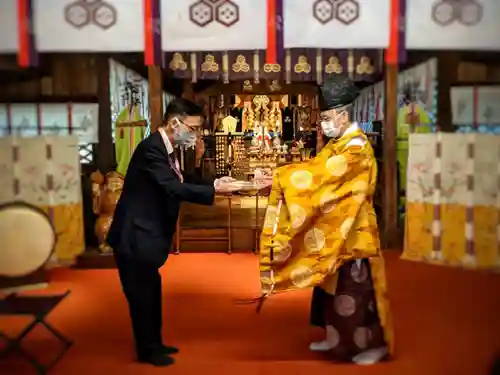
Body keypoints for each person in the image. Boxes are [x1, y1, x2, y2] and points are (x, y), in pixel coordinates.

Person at [255, 76, 393, 365]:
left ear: (343, 115)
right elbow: (315, 167)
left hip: (354, 231)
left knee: (355, 292)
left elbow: (324, 176)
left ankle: (372, 345)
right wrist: (278, 177)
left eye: (328, 117)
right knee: (331, 287)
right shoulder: (339, 142)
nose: (323, 123)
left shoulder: (356, 148)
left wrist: (281, 178)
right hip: (336, 227)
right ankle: (335, 337)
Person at [107, 98, 239, 367]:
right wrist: (215, 191)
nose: (196, 135)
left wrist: (214, 182)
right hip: (135, 235)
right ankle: (148, 351)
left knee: (151, 292)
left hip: (146, 232)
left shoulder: (167, 149)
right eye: (193, 129)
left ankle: (154, 343)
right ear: (174, 123)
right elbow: (172, 187)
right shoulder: (151, 150)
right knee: (142, 296)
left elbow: (181, 181)